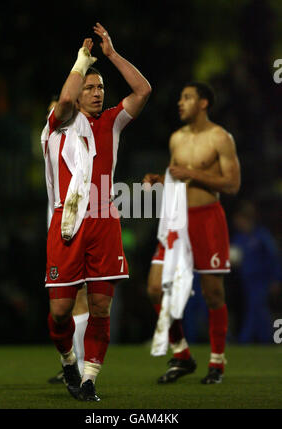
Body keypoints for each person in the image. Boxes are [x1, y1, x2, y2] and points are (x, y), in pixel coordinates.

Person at [41, 23, 151, 402]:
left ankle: (88, 380)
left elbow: (143, 91)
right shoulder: (55, 129)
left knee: (101, 306)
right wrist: (81, 60)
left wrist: (111, 55)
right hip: (67, 222)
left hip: (104, 219)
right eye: (89, 86)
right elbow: (67, 101)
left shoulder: (112, 122)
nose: (96, 92)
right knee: (59, 312)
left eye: (100, 87)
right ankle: (68, 360)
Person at [143, 82, 240, 384]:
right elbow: (176, 176)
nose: (180, 103)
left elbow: (232, 185)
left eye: (187, 97)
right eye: (180, 97)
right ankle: (182, 353)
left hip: (208, 219)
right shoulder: (176, 139)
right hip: (177, 220)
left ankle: (217, 363)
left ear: (203, 103)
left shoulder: (220, 138)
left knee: (213, 294)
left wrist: (194, 174)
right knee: (155, 289)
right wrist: (158, 179)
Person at [43, 98, 90, 385]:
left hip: (80, 223)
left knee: (80, 295)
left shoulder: (80, 137)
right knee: (60, 306)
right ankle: (72, 358)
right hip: (56, 225)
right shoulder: (49, 140)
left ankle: (82, 364)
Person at [230, 200, 281, 343]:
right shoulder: (239, 238)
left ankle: (244, 340)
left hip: (261, 280)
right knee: (258, 311)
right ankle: (267, 340)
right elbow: (235, 258)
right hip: (246, 281)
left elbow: (274, 258)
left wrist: (276, 279)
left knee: (255, 309)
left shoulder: (261, 236)